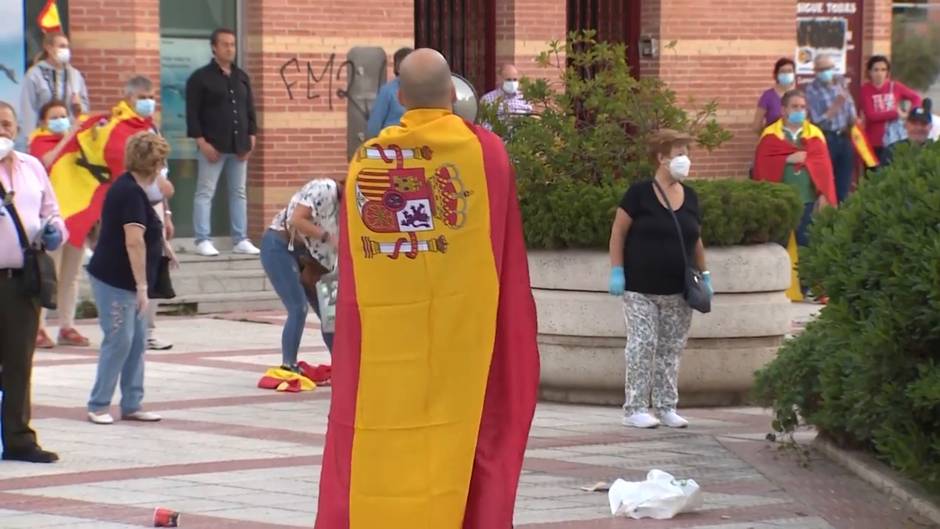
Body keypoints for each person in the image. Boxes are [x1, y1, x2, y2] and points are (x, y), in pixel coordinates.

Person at [315, 49, 539, 529]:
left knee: (384, 443)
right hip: (463, 345)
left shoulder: (366, 164)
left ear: (398, 95)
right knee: (460, 441)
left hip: (387, 351)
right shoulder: (486, 154)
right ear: (453, 97)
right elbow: (503, 245)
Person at [607, 129, 711, 430]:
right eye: (679, 153)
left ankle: (667, 406)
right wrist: (617, 270)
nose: (685, 159)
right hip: (641, 288)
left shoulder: (690, 196)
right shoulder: (639, 193)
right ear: (661, 157)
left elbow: (696, 239)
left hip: (678, 290)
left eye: (686, 153)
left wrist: (705, 275)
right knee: (643, 342)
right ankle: (635, 407)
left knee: (671, 347)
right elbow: (618, 232)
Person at [85, 132, 172, 425]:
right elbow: (133, 240)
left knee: (136, 343)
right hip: (116, 279)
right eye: (160, 161)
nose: (162, 167)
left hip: (128, 280)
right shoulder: (130, 193)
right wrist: (142, 286)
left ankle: (132, 403)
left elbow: (152, 228)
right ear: (152, 163)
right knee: (119, 340)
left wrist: (166, 248)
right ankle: (98, 404)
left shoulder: (136, 189)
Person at [0, 100, 65, 463]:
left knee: (19, 361)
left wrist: (55, 229)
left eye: (7, 125)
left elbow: (51, 211)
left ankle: (19, 439)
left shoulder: (32, 167)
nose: (3, 132)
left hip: (21, 279)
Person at [186, 27, 260, 257]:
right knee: (205, 192)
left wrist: (251, 137)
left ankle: (240, 239)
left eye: (233, 44)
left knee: (239, 193)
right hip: (213, 146)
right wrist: (202, 142)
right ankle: (203, 239)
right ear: (214, 48)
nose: (230, 49)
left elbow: (249, 110)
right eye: (225, 44)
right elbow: (192, 113)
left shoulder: (241, 77)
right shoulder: (200, 78)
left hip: (239, 147)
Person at [27, 99, 91, 348]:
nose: (61, 120)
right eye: (55, 117)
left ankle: (67, 326)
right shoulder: (38, 141)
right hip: (51, 221)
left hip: (76, 219)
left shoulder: (78, 143)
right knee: (48, 275)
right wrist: (70, 134)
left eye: (63, 115)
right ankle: (39, 327)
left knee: (71, 275)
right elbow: (48, 161)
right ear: (44, 122)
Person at [261, 178, 340, 370]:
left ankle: (341, 365)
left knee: (330, 315)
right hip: (280, 245)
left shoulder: (350, 215)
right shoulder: (325, 188)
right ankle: (289, 364)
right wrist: (327, 237)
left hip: (314, 259)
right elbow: (296, 219)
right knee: (298, 308)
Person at [753, 90, 837, 251]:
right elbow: (762, 166)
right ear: (783, 110)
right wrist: (786, 159)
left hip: (808, 200)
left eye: (803, 107)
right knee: (778, 247)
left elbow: (825, 170)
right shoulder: (770, 135)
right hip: (779, 201)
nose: (799, 111)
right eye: (795, 106)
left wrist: (823, 195)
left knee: (806, 245)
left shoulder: (815, 134)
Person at [19, 32, 89, 146]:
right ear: (49, 48)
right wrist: (29, 139)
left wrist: (79, 106)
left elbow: (84, 110)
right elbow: (28, 109)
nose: (65, 50)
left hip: (69, 137)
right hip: (42, 136)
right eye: (61, 46)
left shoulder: (75, 75)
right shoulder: (34, 75)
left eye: (67, 47)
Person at [805, 54, 857, 204]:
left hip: (845, 136)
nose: (826, 71)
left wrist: (853, 118)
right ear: (815, 71)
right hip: (827, 138)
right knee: (825, 185)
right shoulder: (811, 90)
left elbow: (850, 104)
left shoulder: (841, 83)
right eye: (821, 69)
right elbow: (816, 121)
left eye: (828, 68)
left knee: (844, 184)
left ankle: (840, 221)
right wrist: (834, 108)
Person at [859, 55, 921, 164]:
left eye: (883, 70)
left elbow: (916, 98)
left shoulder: (895, 87)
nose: (879, 73)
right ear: (869, 72)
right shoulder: (865, 90)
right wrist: (895, 113)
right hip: (874, 141)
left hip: (895, 139)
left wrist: (910, 114)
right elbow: (871, 115)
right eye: (876, 70)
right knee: (874, 173)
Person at [366, 47, 412, 138]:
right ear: (399, 68)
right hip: (392, 145)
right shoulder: (388, 91)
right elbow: (374, 126)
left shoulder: (421, 89)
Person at [883, 98, 935, 166]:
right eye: (914, 123)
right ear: (905, 125)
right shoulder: (891, 151)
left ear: (930, 127)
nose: (918, 128)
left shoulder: (936, 150)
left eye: (923, 123)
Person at [480, 63, 533, 129]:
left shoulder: (525, 99)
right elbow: (483, 125)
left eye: (515, 80)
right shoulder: (487, 100)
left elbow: (530, 122)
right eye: (508, 80)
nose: (512, 83)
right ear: (499, 79)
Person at [753, 58, 797, 134]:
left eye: (790, 71)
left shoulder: (800, 96)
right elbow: (756, 126)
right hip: (773, 141)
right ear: (776, 74)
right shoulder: (767, 96)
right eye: (783, 71)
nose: (786, 74)